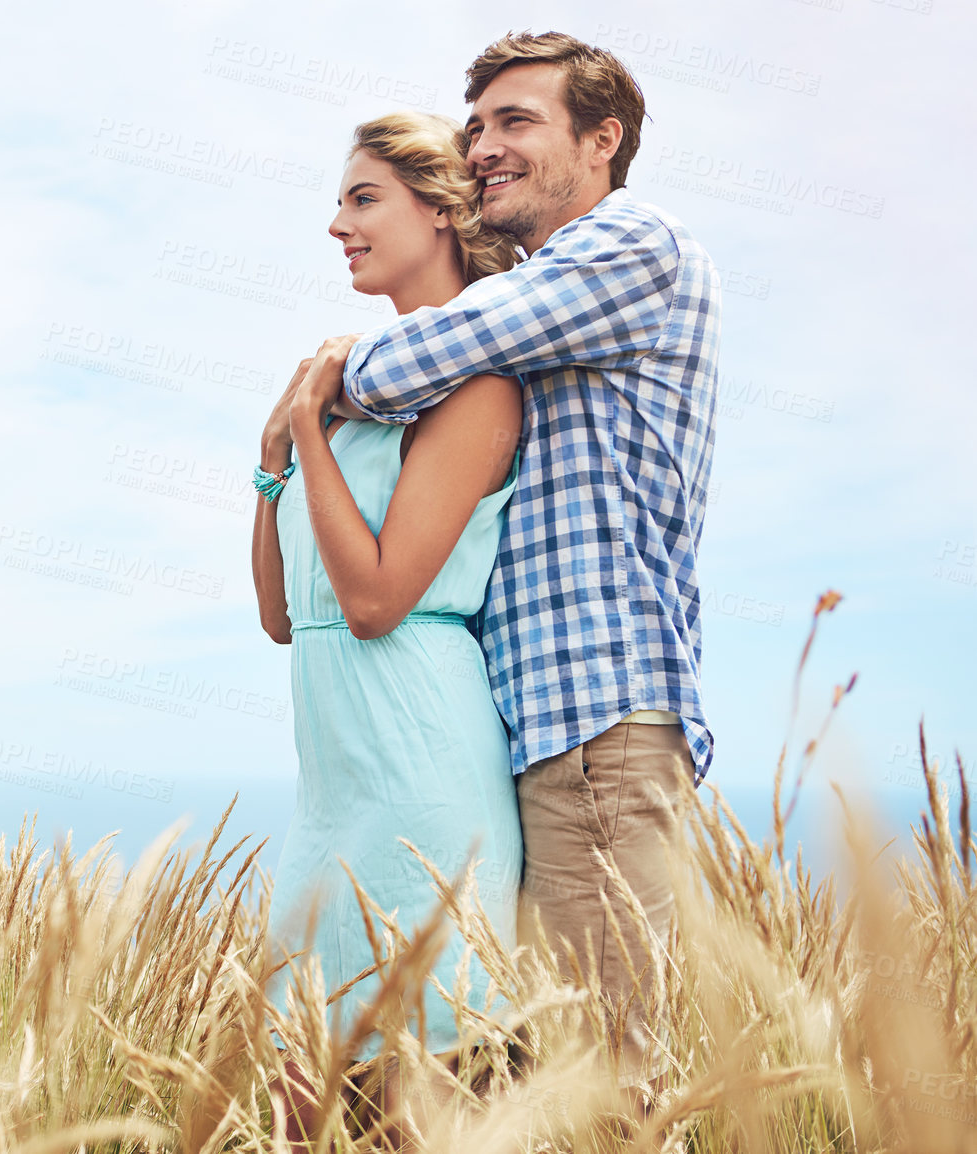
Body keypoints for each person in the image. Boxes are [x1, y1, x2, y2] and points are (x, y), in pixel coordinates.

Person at [323, 31, 721, 1092]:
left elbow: (429, 349)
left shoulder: (632, 242)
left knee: (604, 1077)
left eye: (516, 122)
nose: (484, 147)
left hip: (595, 722)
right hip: (536, 732)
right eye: (477, 126)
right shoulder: (545, 294)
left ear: (603, 139)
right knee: (526, 1070)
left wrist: (328, 375)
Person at [252, 108, 526, 1148]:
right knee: (300, 1109)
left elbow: (372, 599)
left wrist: (311, 434)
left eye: (361, 198)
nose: (335, 224)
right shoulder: (362, 376)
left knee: (410, 1099)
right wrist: (270, 451)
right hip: (332, 788)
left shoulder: (476, 383)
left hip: (419, 764)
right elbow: (285, 613)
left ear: (443, 211)